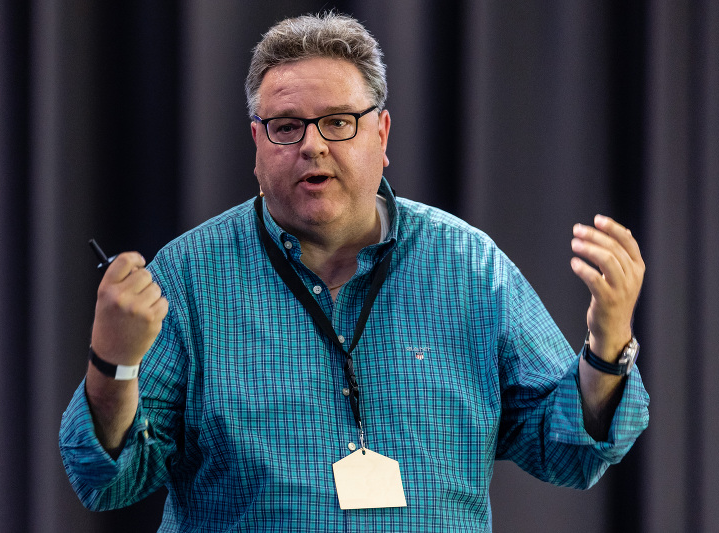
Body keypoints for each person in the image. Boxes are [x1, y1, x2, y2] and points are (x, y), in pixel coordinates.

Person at [60, 12, 649, 532]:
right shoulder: (190, 277)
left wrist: (608, 346)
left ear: (381, 134)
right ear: (257, 144)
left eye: (338, 121)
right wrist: (113, 363)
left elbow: (569, 449)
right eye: (286, 126)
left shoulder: (470, 267)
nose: (312, 146)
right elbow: (108, 480)